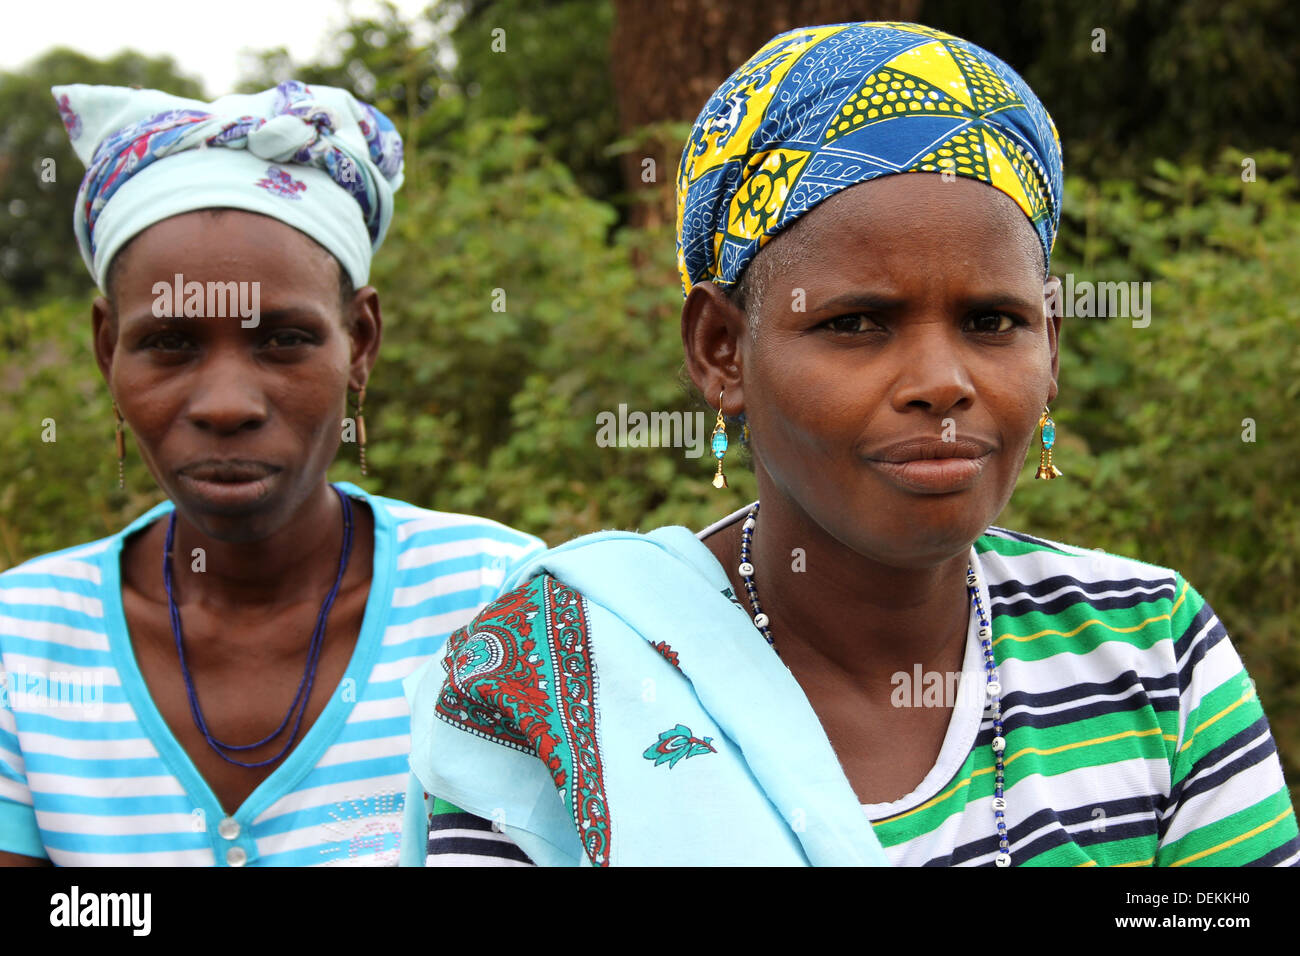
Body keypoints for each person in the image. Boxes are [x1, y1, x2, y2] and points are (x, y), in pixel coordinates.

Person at [402, 21, 1299, 866]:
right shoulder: (558, 676)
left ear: (1051, 346)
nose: (942, 381)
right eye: (857, 322)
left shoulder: (1150, 655)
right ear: (723, 350)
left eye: (993, 320)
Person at [0, 81, 544, 866]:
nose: (226, 405)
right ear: (104, 349)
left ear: (360, 341)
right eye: (170, 344)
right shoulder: (23, 643)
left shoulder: (498, 606)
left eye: (283, 339)